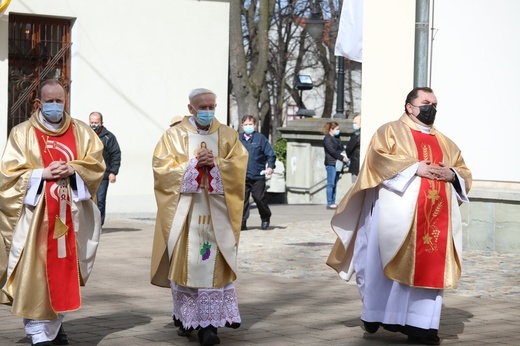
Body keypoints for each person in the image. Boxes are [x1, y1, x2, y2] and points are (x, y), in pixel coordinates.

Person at [326, 87, 472, 345]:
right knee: (380, 264)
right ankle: (377, 313)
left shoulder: (446, 142)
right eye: (426, 102)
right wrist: (416, 167)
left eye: (435, 104)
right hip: (395, 214)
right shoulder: (389, 131)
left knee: (428, 269)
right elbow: (377, 160)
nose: (431, 108)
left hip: (434, 217)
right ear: (409, 106)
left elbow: (463, 171)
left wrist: (453, 175)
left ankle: (422, 326)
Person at [0, 79, 105, 346]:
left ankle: (56, 326)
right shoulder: (22, 133)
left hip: (70, 214)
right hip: (37, 218)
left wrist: (74, 169)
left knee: (64, 269)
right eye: (50, 101)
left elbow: (96, 163)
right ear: (39, 102)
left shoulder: (82, 131)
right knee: (37, 271)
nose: (55, 105)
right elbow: (7, 174)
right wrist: (40, 174)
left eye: (59, 100)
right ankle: (37, 331)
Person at [151, 88, 248, 346]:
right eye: (203, 107)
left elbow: (239, 166)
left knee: (213, 266)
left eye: (212, 106)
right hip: (186, 213)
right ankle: (185, 317)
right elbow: (162, 169)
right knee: (187, 265)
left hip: (217, 213)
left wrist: (216, 163)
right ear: (191, 108)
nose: (208, 111)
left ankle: (210, 326)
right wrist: (193, 165)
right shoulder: (174, 136)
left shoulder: (227, 134)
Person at [239, 115, 276, 230]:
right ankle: (242, 222)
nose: (248, 126)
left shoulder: (260, 139)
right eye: (246, 124)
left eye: (250, 124)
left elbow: (270, 154)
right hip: (242, 175)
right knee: (242, 200)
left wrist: (270, 166)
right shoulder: (237, 139)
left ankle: (265, 217)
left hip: (257, 175)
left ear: (254, 125)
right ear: (242, 126)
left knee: (259, 198)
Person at [88, 111, 121, 226]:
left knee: (100, 200)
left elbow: (116, 154)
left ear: (101, 123)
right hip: (87, 174)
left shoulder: (109, 137)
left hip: (103, 175)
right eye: (91, 122)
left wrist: (113, 172)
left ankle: (98, 225)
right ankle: (88, 225)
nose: (94, 125)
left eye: (96, 122)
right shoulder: (85, 135)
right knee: (87, 200)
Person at [323, 121, 348, 209]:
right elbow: (332, 151)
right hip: (331, 163)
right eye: (337, 129)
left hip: (337, 164)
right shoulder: (327, 138)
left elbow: (341, 148)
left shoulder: (337, 138)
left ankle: (333, 201)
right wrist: (341, 157)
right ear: (331, 129)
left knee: (334, 183)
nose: (338, 131)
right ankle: (330, 202)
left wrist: (344, 155)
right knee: (331, 183)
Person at [345, 115, 361, 182]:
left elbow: (349, 148)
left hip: (356, 162)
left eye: (355, 123)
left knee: (355, 184)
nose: (354, 125)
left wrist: (346, 155)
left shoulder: (356, 134)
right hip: (361, 162)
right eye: (353, 123)